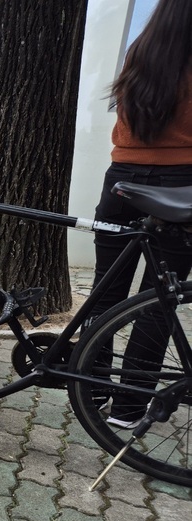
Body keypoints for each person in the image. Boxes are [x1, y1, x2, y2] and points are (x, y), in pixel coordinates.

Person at [88, 0, 192, 427]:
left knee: (106, 291)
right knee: (157, 300)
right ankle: (130, 408)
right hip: (181, 186)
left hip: (122, 181)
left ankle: (90, 388)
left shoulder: (141, 50)